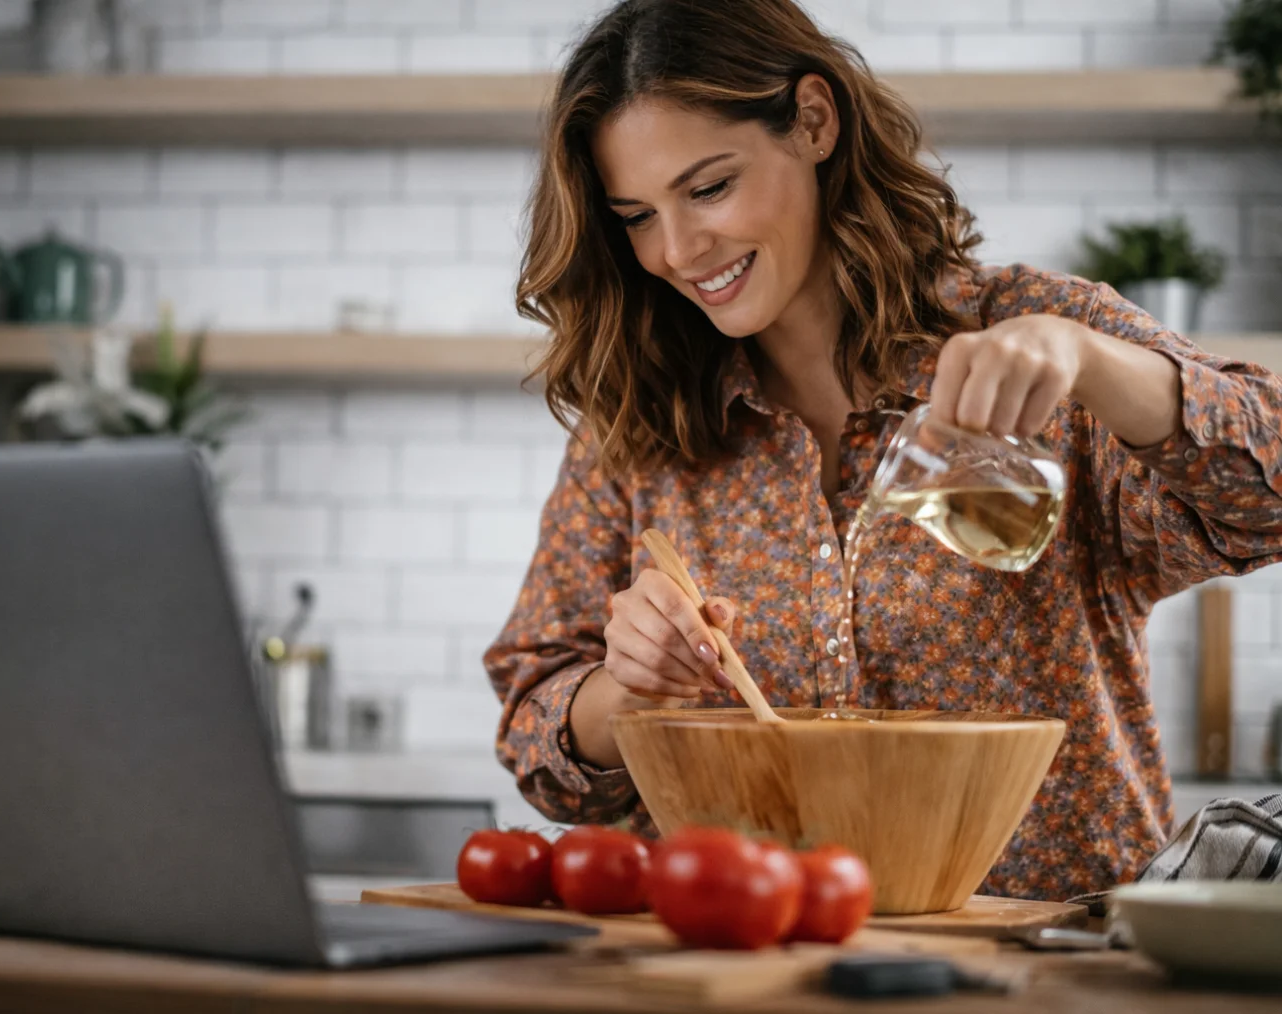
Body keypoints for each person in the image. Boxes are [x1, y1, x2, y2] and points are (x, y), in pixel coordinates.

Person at [483, 0, 1282, 902]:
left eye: (708, 188)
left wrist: (1093, 359)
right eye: (636, 216)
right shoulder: (639, 417)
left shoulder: (1033, 336)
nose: (675, 250)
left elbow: (1269, 496)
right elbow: (535, 735)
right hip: (748, 964)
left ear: (814, 122)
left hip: (1047, 970)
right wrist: (624, 691)